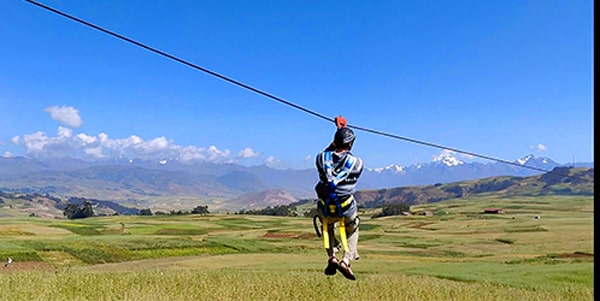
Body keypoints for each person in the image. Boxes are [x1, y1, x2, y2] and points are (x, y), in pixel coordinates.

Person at [314, 117, 364, 280]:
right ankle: (346, 260)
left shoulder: (320, 158)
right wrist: (343, 132)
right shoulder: (357, 163)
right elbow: (345, 155)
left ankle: (332, 257)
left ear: (335, 142)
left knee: (327, 226)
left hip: (326, 207)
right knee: (353, 228)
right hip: (346, 207)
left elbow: (328, 152)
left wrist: (338, 132)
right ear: (350, 144)